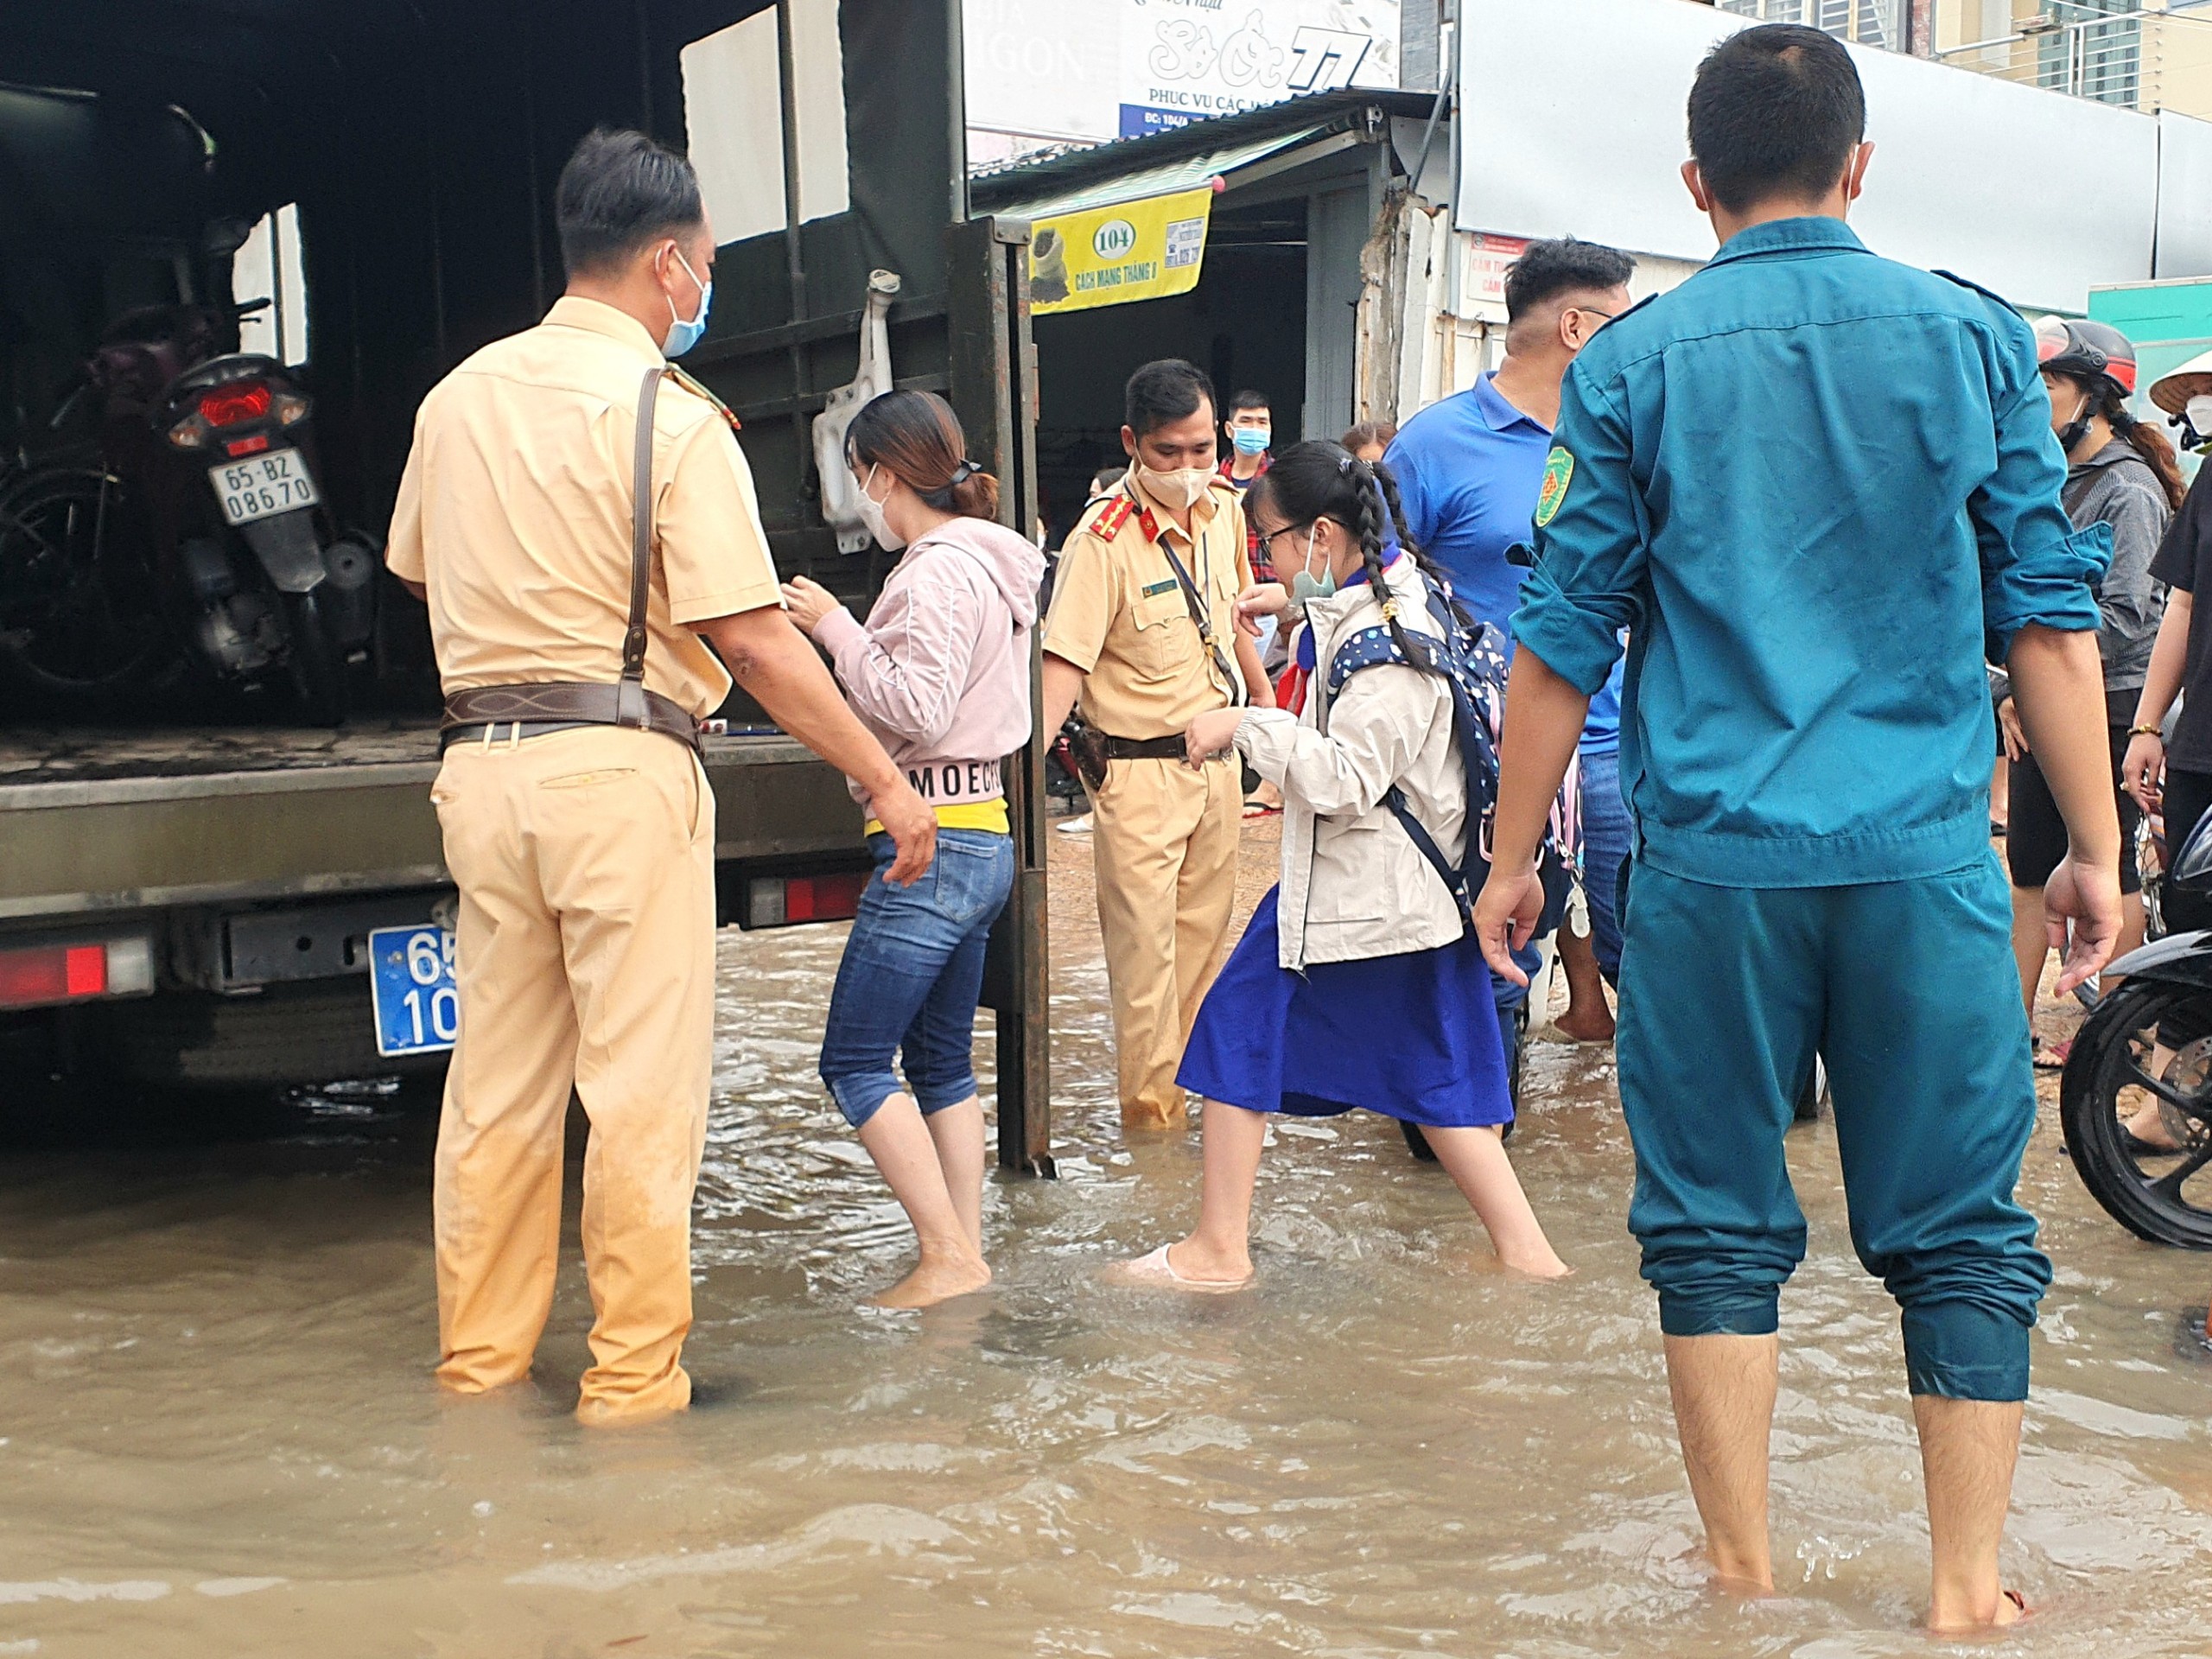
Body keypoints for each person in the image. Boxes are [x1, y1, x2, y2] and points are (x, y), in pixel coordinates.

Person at [1473, 26, 2120, 1630]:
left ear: (1695, 185)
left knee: (1709, 1233)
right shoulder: (1977, 340)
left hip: (1708, 875)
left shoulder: (1628, 362)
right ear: (1860, 163)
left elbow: (1564, 637)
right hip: (1924, 864)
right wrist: (2089, 849)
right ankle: (1966, 1595)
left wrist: (1510, 861)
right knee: (1966, 1234)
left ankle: (1739, 1585)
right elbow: (2047, 620)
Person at [384, 130, 935, 1425]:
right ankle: (631, 1396)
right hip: (619, 775)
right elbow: (750, 639)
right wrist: (884, 780)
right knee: (638, 1101)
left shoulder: (456, 398)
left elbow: (418, 569)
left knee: (496, 1094)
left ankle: (479, 1376)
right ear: (673, 265)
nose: (702, 294)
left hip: (481, 772)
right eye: (701, 272)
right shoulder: (669, 420)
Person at [1118, 442, 1567, 1287]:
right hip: (1416, 898)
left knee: (1235, 1028)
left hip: (1365, 896)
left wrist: (1243, 724)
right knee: (1441, 1086)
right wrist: (1290, 615)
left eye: (1273, 544)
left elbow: (1347, 779)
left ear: (1321, 537)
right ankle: (1529, 1260)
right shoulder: (1412, 601)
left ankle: (1217, 1250)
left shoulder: (1387, 644)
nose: (1270, 559)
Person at [777, 391, 1040, 1308]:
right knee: (940, 1065)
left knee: (851, 1061)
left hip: (933, 845)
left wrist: (833, 630)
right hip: (984, 836)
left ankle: (946, 1258)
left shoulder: (933, 573)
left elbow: (918, 709)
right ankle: (963, 1254)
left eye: (858, 480)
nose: (860, 500)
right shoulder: (991, 565)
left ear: (886, 474)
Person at [1384, 236, 1636, 1055]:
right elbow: (1381, 590)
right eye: (1620, 324)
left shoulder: (1625, 441)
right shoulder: (1434, 445)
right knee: (1491, 961)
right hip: (1488, 754)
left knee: (1655, 956)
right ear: (1576, 327)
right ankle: (1475, 1141)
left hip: (1618, 748)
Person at [1037, 359, 1272, 1130]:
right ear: (1134, 444)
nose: (1189, 469)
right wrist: (1011, 786)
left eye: (1202, 450)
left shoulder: (1226, 512)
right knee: (1145, 974)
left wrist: (1262, 700)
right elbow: (1061, 671)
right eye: (1169, 454)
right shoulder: (1100, 542)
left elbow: (1230, 615)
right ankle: (1152, 1140)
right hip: (1136, 779)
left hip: (1217, 773)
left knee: (1204, 960)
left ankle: (1202, 1127)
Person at [1999, 317, 2180, 1047]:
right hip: (2047, 702)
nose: (2031, 400)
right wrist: (2020, 687)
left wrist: (2037, 677)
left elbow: (2133, 615)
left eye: (2047, 385)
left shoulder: (2128, 489)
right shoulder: (2045, 482)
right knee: (2030, 863)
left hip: (2111, 705)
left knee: (2113, 864)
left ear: (2097, 399)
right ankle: (2010, 1028)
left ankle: (2120, 1035)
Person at [2120, 350, 2212, 1151]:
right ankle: (2170, 1104)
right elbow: (2179, 606)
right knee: (2191, 913)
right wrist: (2150, 726)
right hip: (2204, 742)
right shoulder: (2211, 485)